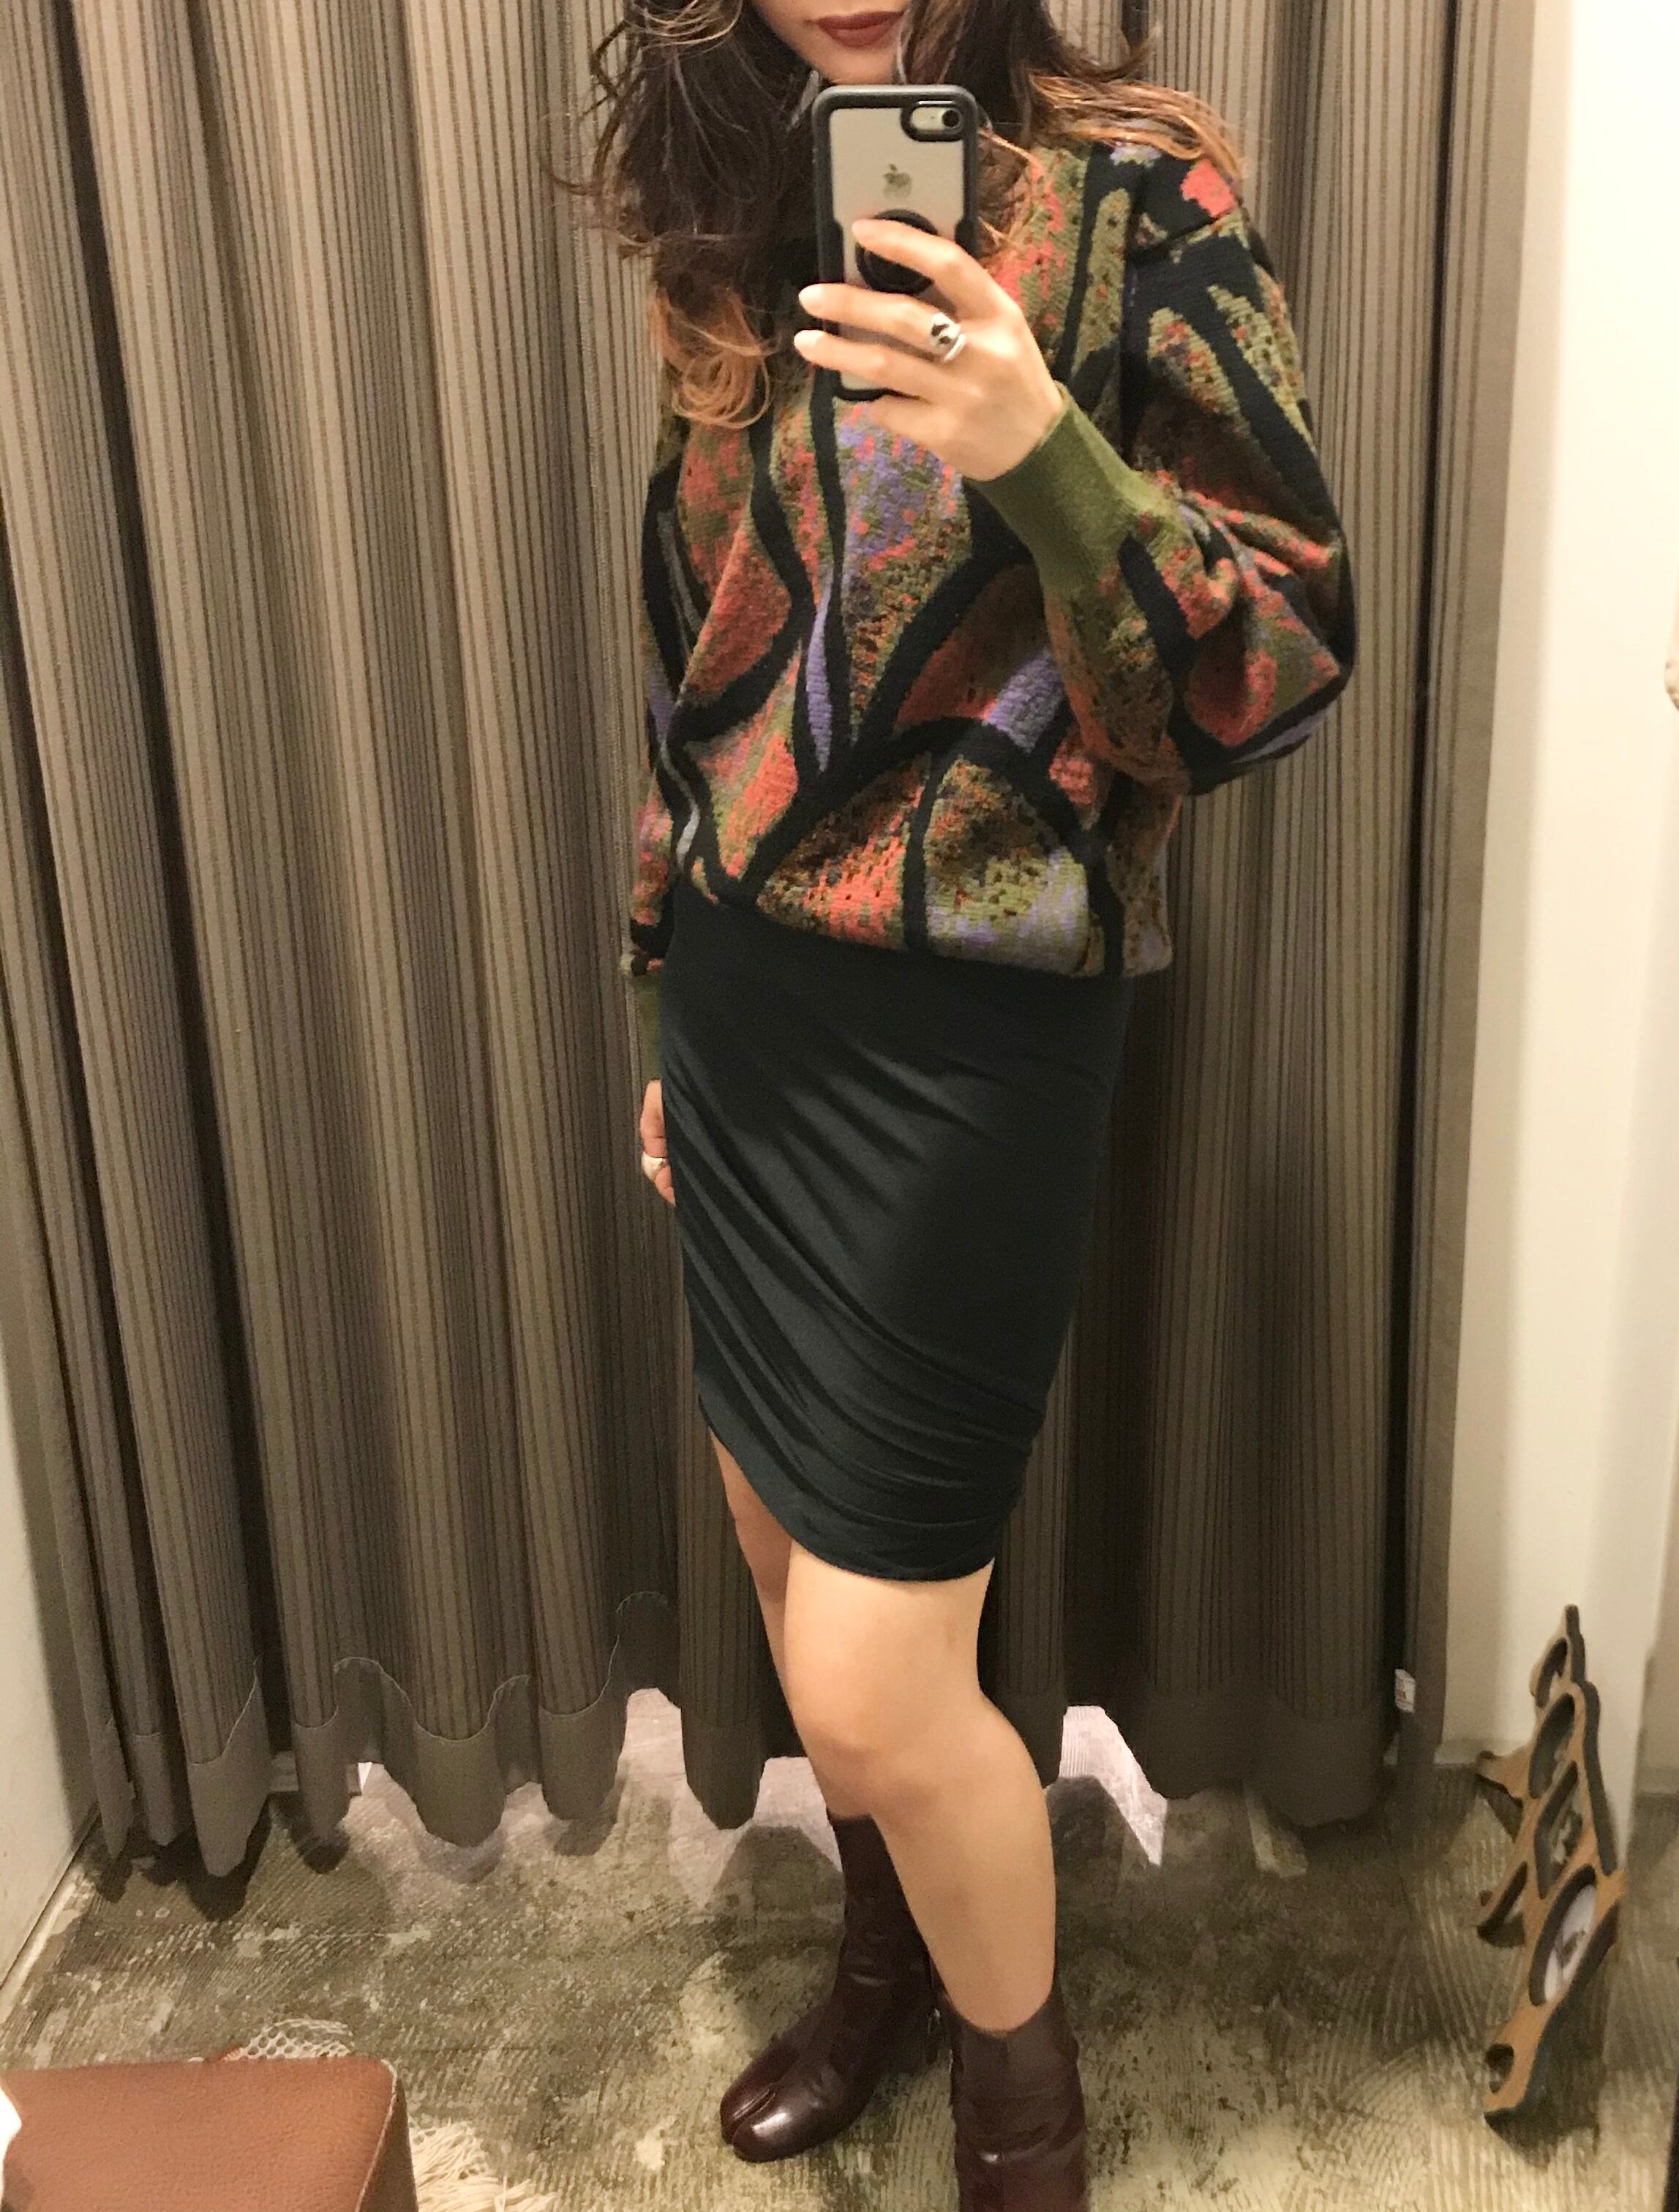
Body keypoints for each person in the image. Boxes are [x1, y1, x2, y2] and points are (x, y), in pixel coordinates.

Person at [585, 2, 1354, 2202]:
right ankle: (891, 1965)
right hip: (752, 1001)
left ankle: (1029, 2124)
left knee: (867, 1670)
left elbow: (1281, 657)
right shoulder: (741, 217)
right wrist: (665, 993)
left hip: (976, 1016)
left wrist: (1043, 446)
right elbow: (703, 669)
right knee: (774, 1545)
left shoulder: (1139, 194)